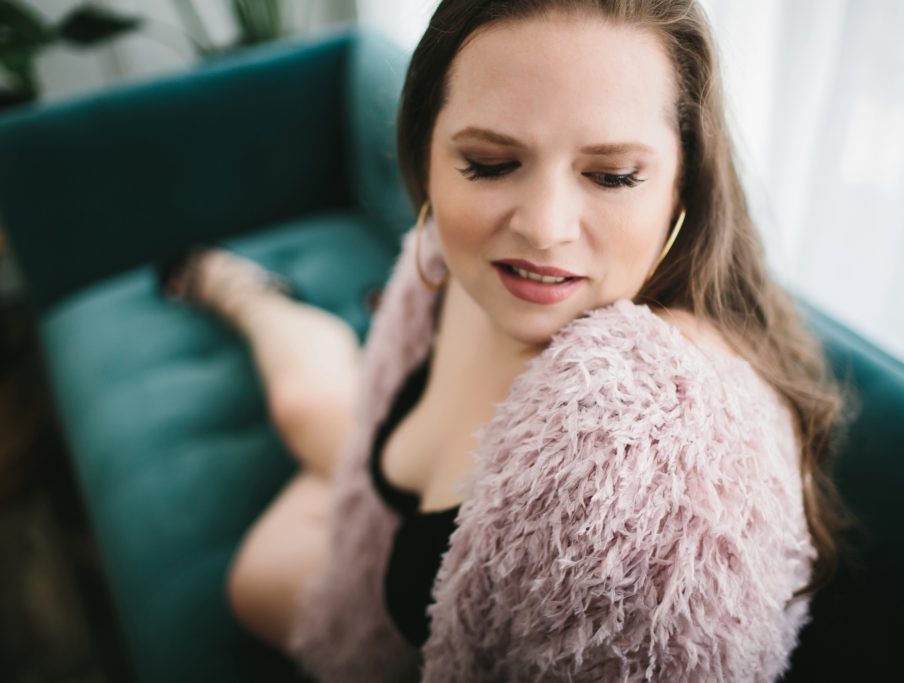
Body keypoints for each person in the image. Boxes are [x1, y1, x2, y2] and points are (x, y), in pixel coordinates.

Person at [160, 0, 854, 680]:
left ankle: (249, 294)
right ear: (424, 152)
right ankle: (249, 295)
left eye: (611, 176)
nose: (545, 228)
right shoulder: (447, 263)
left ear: (683, 185)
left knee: (291, 462)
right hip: (360, 583)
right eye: (491, 163)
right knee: (303, 405)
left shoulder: (654, 457)